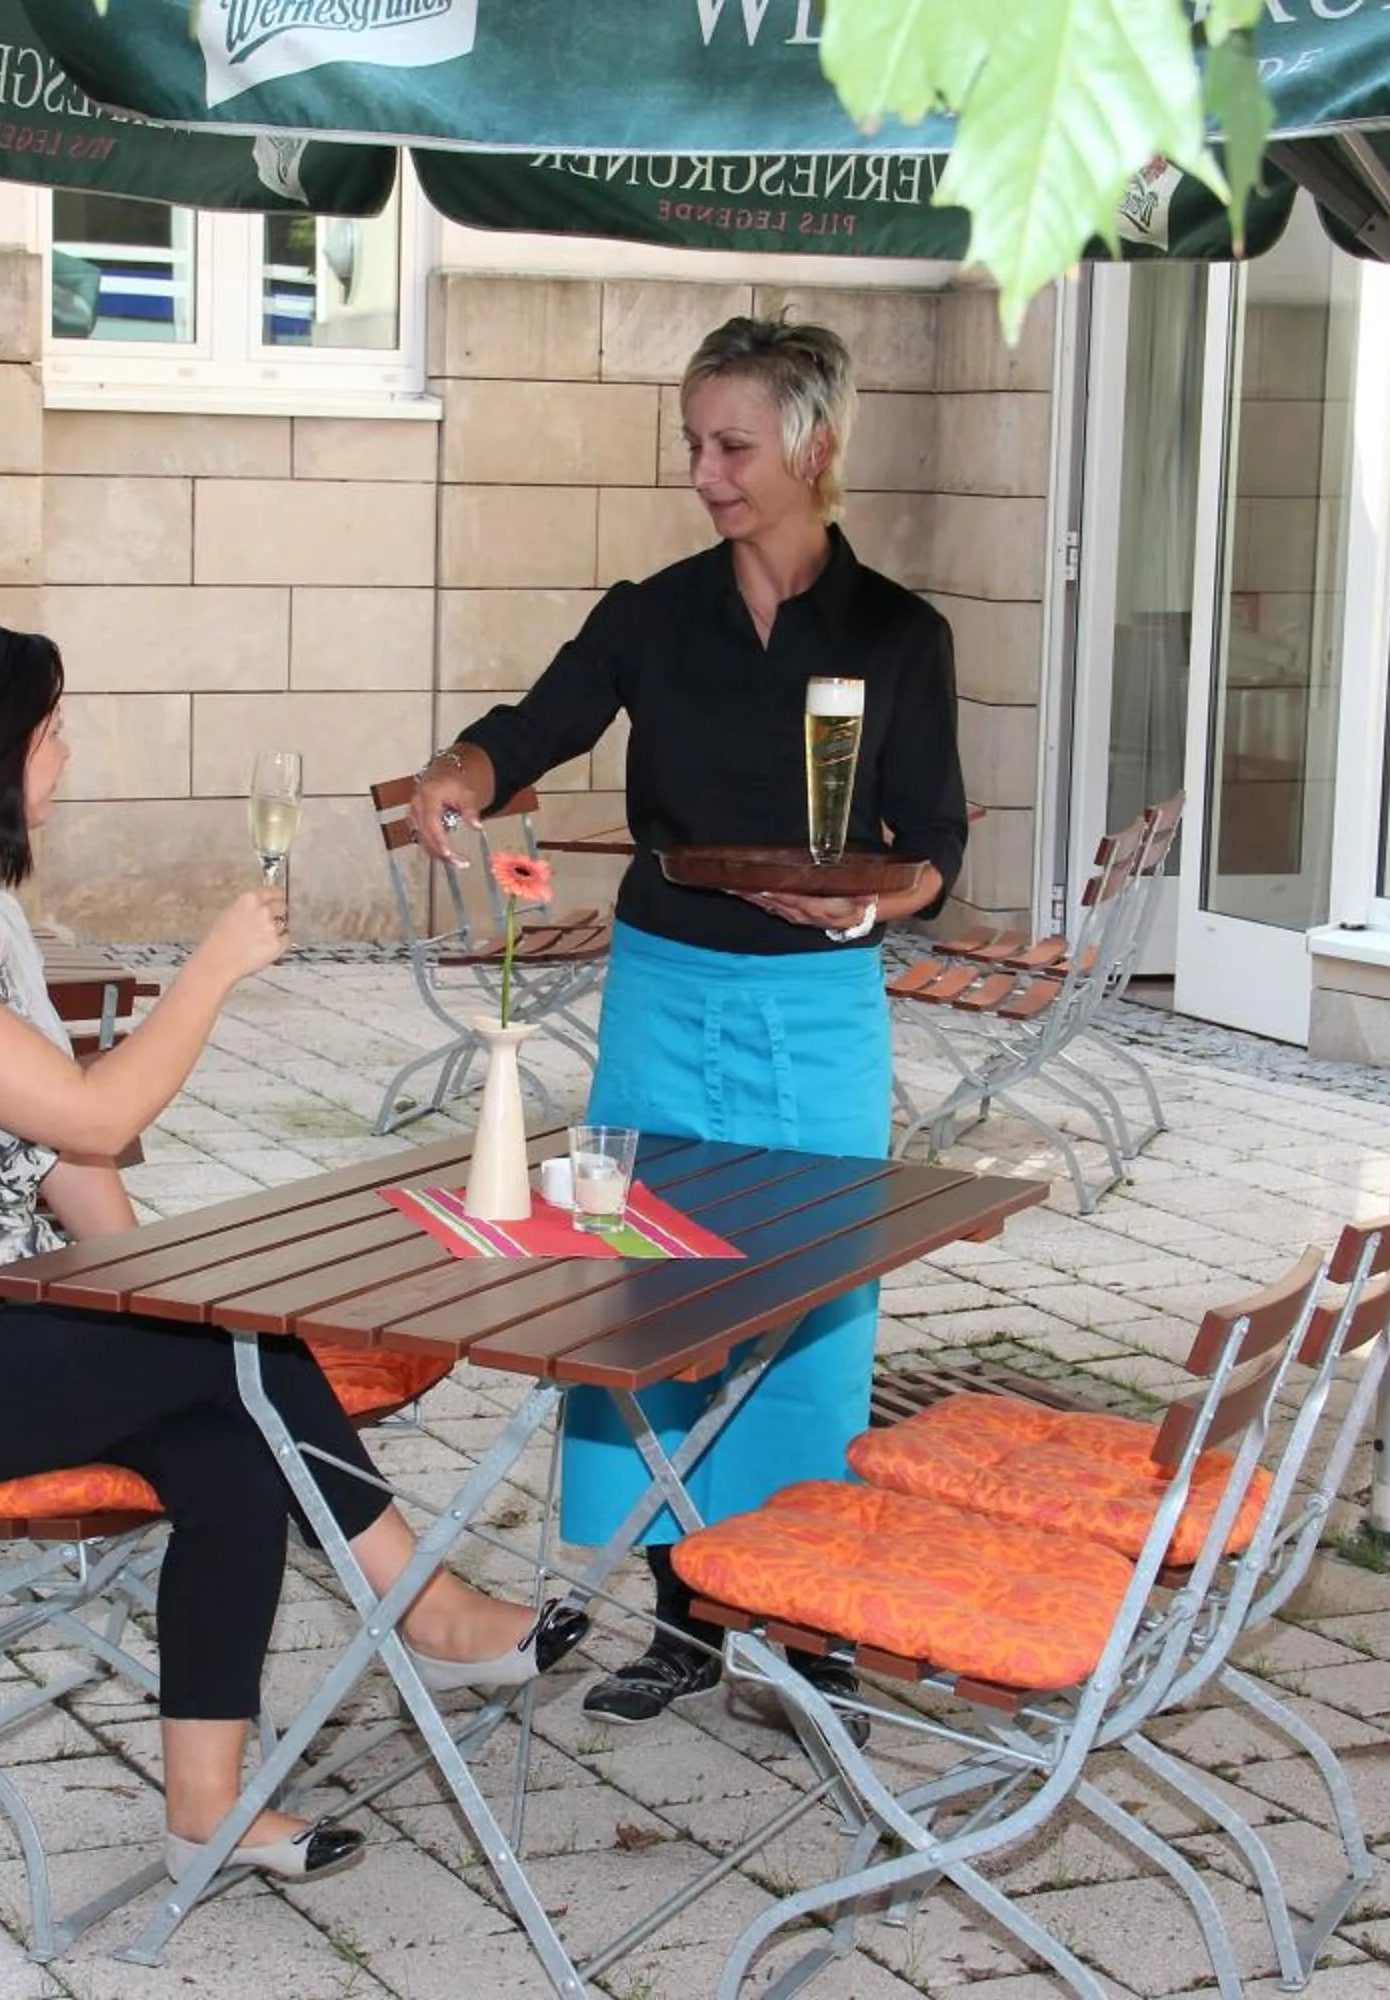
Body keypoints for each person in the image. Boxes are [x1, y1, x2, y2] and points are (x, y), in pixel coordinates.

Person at [0, 622, 588, 1883]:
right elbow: (97, 1117)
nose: (65, 752)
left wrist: (168, 1290)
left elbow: (62, 1159)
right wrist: (209, 970)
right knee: (242, 1353)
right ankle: (425, 1609)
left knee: (231, 1435)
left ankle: (207, 1807)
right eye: (48, 731)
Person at [408, 316, 968, 1725]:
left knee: (814, 1297)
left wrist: (873, 898)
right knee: (650, 1290)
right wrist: (459, 772)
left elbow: (936, 846)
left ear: (814, 446)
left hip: (820, 1006)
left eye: (733, 445)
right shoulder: (650, 614)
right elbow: (533, 726)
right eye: (695, 444)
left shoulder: (902, 634)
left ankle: (804, 1619)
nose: (706, 474)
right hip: (665, 993)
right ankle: (682, 1616)